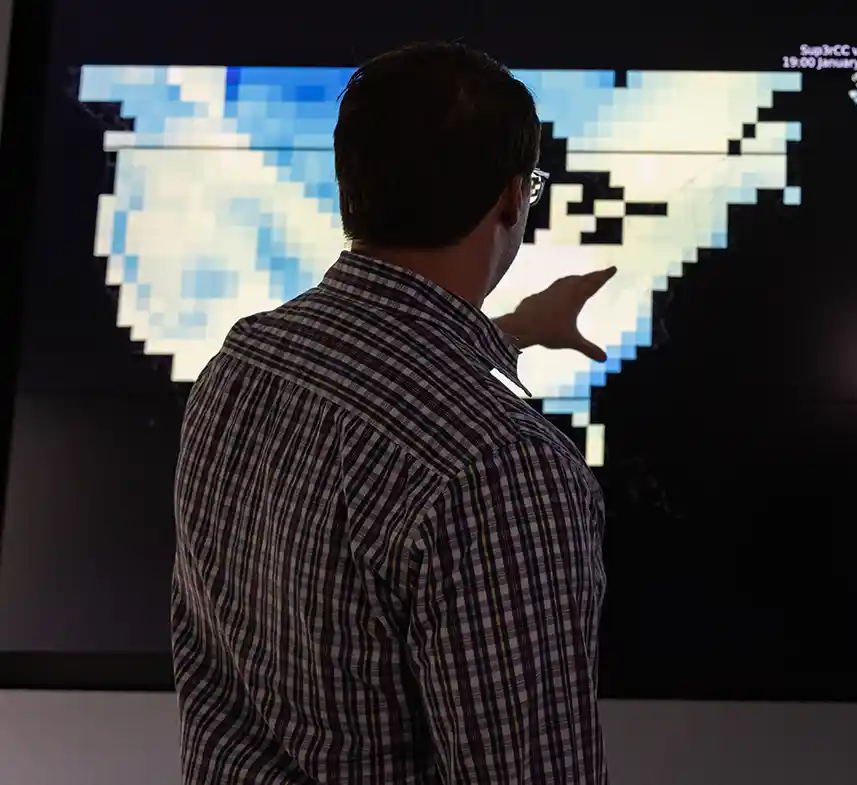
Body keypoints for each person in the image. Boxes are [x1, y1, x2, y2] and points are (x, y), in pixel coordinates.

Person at [172, 42, 615, 783]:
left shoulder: (244, 361)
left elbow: (381, 381)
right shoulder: (504, 470)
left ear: (352, 184)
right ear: (513, 198)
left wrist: (513, 330)